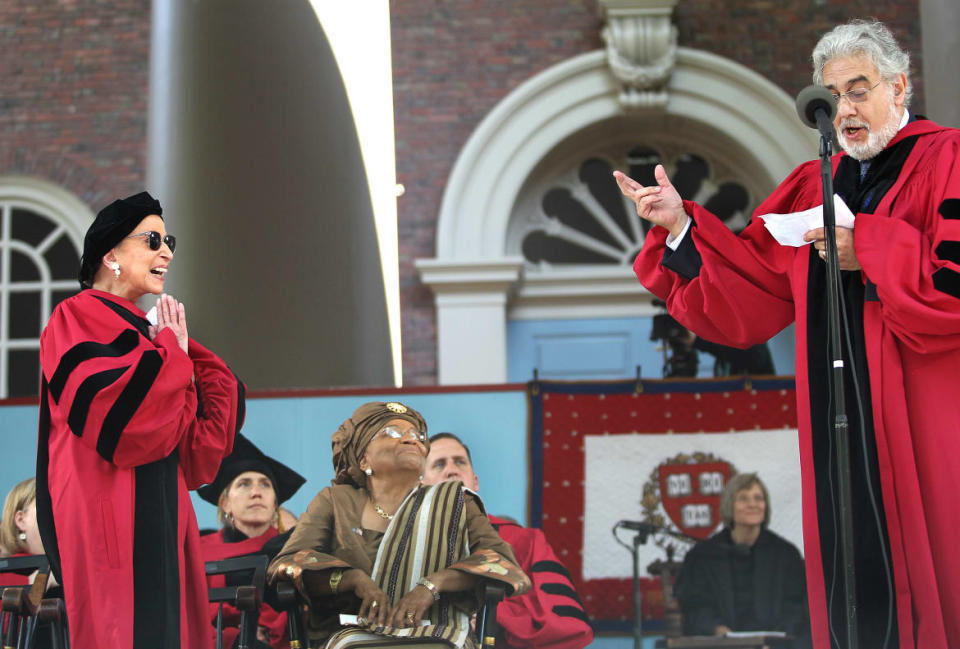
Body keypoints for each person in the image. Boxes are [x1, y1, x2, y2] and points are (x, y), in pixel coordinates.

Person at [615, 19, 960, 649]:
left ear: (900, 86)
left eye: (860, 90)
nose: (846, 110)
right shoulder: (813, 183)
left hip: (923, 413)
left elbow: (953, 287)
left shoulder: (950, 161)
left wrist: (871, 250)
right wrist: (680, 229)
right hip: (840, 415)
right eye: (833, 97)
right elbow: (752, 289)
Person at [36, 191, 245, 649]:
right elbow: (125, 426)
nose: (166, 252)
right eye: (152, 240)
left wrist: (183, 350)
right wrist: (171, 352)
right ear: (110, 254)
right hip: (109, 511)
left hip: (163, 508)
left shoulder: (148, 336)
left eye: (168, 240)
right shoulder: (74, 316)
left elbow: (195, 451)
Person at [268, 402, 530, 649]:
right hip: (351, 637)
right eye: (391, 432)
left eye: (418, 435)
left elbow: (501, 562)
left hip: (438, 636)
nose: (411, 439)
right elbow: (288, 563)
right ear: (363, 460)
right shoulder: (335, 501)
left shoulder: (456, 503)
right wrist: (352, 579)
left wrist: (432, 585)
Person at [422, 433, 593, 649]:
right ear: (421, 487)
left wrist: (491, 614)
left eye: (460, 462)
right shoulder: (403, 547)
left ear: (475, 482)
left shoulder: (525, 542)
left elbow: (570, 627)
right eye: (439, 464)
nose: (452, 470)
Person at [675, 473, 810, 648]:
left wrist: (775, 641)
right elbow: (696, 606)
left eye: (758, 498)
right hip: (721, 644)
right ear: (729, 506)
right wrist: (717, 629)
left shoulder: (786, 554)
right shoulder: (703, 556)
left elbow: (796, 609)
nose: (752, 504)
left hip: (775, 644)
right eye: (743, 499)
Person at [198, 433, 307, 649]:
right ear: (225, 503)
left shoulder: (294, 547)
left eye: (265, 485)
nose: (256, 493)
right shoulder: (200, 549)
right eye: (244, 484)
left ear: (275, 503)